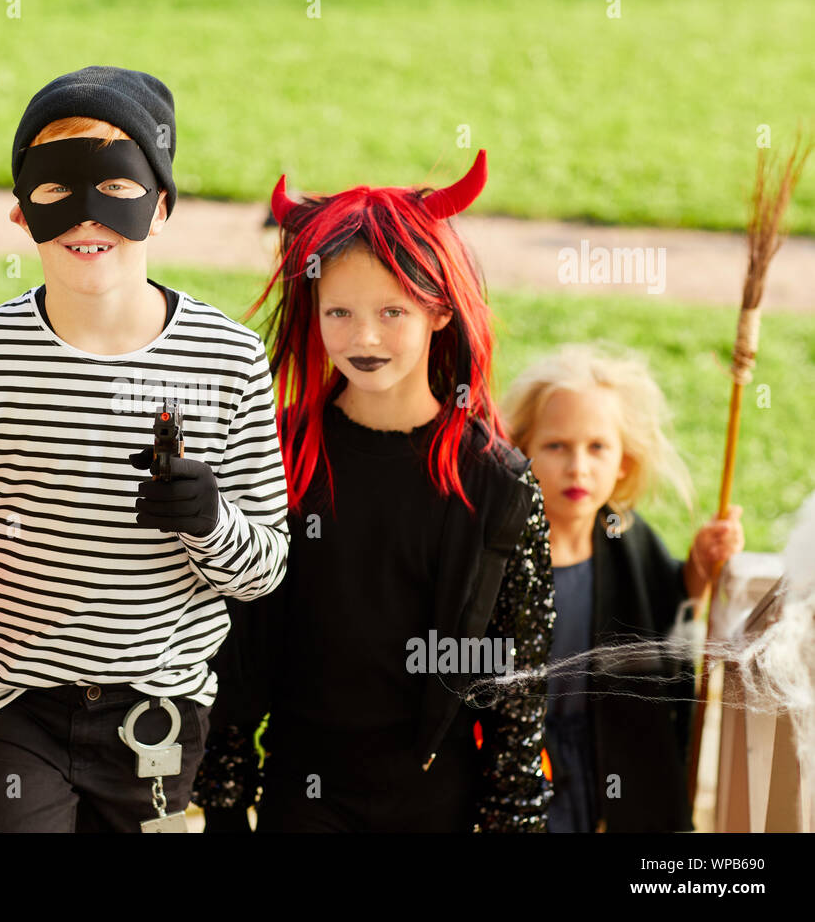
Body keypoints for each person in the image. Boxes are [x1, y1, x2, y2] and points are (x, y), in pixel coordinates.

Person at [0, 66, 290, 832]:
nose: (87, 214)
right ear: (19, 210)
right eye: (55, 188)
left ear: (161, 206)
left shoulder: (228, 361)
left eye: (118, 184)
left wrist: (208, 518)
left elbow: (265, 568)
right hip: (5, 703)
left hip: (156, 714)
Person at [194, 151, 555, 832]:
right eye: (340, 312)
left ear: (441, 310)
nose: (363, 337)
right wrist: (223, 794)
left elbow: (517, 675)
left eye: (393, 311)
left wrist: (512, 815)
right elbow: (237, 633)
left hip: (434, 800)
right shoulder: (276, 450)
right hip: (303, 793)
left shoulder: (496, 480)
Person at [501, 344, 744, 832]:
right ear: (521, 448)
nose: (578, 467)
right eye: (556, 446)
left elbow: (670, 607)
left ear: (624, 463)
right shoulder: (502, 544)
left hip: (601, 749)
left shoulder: (624, 539)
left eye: (597, 447)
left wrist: (700, 561)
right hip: (520, 753)